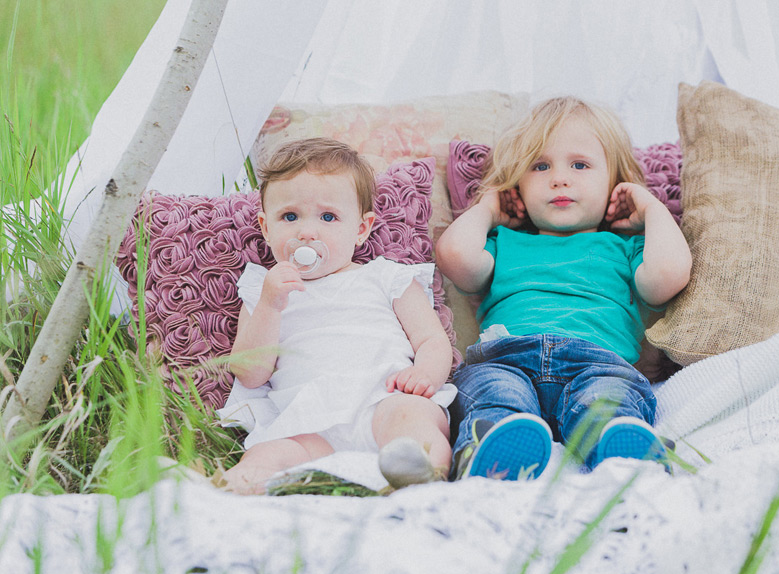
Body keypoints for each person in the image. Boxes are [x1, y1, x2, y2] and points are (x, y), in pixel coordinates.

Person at [435, 97, 691, 481]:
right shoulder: (503, 241)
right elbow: (454, 256)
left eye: (580, 165)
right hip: (507, 358)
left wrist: (650, 207)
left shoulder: (626, 248)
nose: (559, 178)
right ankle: (492, 447)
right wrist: (488, 206)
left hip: (598, 363)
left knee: (605, 401)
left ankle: (621, 450)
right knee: (495, 393)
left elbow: (667, 278)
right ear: (517, 187)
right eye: (540, 166)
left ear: (614, 182)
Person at [219, 138, 456, 494]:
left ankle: (423, 473)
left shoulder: (385, 277)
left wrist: (424, 374)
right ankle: (228, 489)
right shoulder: (264, 289)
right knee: (268, 453)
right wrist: (270, 305)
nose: (307, 232)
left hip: (383, 402)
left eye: (328, 217)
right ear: (266, 228)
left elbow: (432, 339)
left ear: (361, 229)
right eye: (289, 216)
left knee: (416, 420)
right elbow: (250, 374)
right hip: (308, 422)